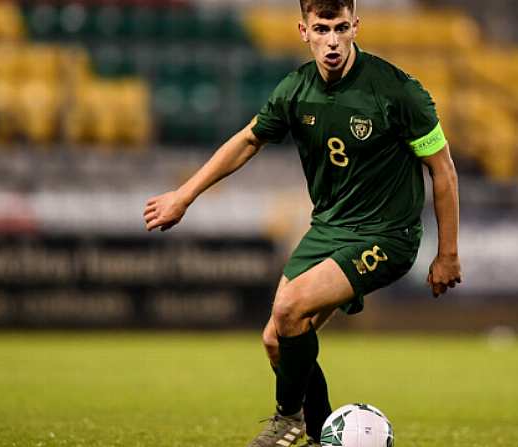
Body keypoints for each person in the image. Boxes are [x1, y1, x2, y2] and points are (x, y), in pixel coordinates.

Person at [143, 1, 461, 445]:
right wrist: (184, 195)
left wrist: (447, 254)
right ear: (303, 31)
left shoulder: (397, 91)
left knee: (290, 310)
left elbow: (442, 168)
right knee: (277, 340)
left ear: (356, 27)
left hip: (386, 235)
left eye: (341, 28)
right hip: (328, 229)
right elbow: (249, 139)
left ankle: (288, 421)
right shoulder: (296, 89)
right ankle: (321, 433)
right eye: (322, 29)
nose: (332, 40)